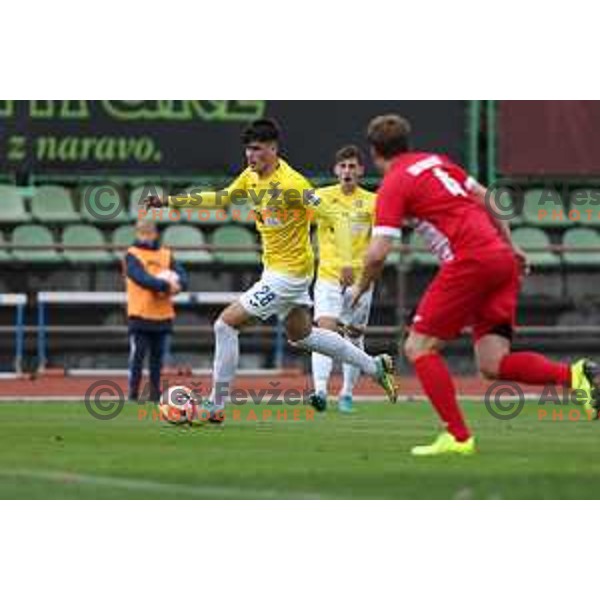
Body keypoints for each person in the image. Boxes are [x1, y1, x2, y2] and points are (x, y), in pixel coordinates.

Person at [352, 113, 600, 456]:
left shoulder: (394, 183)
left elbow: (377, 253)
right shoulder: (436, 161)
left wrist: (360, 287)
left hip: (470, 261)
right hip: (500, 260)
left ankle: (457, 436)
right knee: (493, 363)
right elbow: (488, 198)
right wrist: (511, 246)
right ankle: (576, 376)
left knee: (418, 347)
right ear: (407, 143)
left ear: (374, 153)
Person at [145, 118, 397, 421]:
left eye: (257, 149)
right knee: (302, 336)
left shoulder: (293, 185)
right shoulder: (251, 177)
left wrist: (345, 261)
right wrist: (170, 201)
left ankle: (216, 404)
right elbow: (222, 197)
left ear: (273, 149)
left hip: (288, 276)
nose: (251, 156)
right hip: (279, 271)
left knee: (225, 325)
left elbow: (335, 216)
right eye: (248, 150)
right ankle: (374, 366)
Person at [311, 145, 377, 413]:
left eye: (352, 166)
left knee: (353, 335)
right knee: (324, 332)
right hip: (328, 276)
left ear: (361, 170)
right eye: (343, 166)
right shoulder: (321, 197)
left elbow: (381, 239)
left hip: (360, 282)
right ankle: (319, 391)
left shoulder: (373, 201)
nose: (347, 171)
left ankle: (347, 393)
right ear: (335, 170)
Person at [125, 221, 188, 403]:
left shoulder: (166, 254)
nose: (146, 236)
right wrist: (166, 285)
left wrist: (180, 285)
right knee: (138, 355)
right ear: (137, 234)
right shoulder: (132, 254)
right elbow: (140, 278)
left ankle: (154, 393)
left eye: (149, 232)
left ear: (155, 234)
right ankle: (133, 393)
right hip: (140, 313)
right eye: (143, 233)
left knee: (157, 358)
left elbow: (182, 276)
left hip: (162, 314)